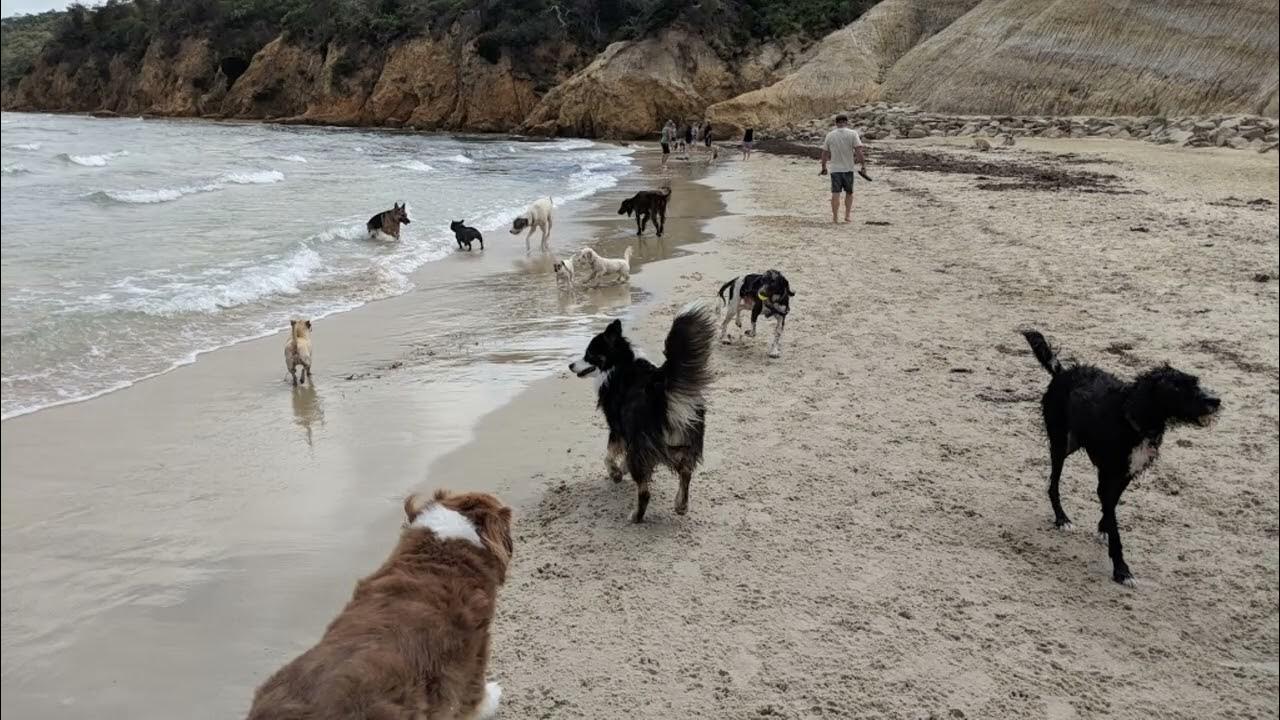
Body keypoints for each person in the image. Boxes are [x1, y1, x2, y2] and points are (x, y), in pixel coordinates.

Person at [819, 114, 866, 224]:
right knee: (849, 193)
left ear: (836, 123)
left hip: (835, 169)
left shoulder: (830, 135)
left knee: (835, 193)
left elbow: (824, 153)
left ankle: (835, 217)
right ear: (846, 122)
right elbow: (859, 151)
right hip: (848, 168)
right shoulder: (853, 134)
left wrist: (823, 167)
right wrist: (863, 165)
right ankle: (847, 216)